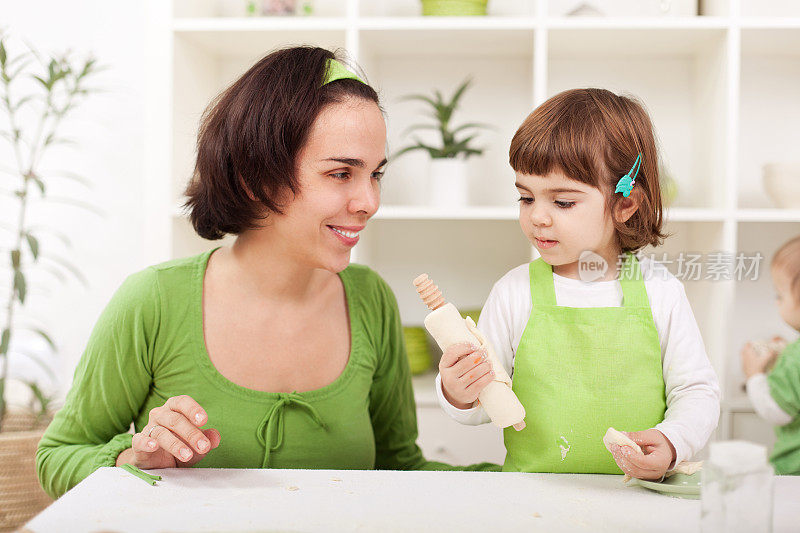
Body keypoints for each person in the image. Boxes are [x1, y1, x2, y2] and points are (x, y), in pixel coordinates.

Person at [37, 46, 495, 500]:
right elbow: (58, 455)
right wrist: (130, 461)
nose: (369, 202)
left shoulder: (370, 299)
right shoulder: (154, 300)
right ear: (256, 177)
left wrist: (531, 475)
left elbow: (398, 469)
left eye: (375, 174)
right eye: (341, 174)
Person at [435, 88, 720, 480]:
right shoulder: (513, 292)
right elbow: (487, 404)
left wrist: (672, 441)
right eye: (525, 198)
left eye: (562, 202)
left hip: (637, 498)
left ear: (625, 204)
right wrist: (458, 391)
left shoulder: (661, 292)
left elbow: (697, 393)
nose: (538, 217)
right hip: (531, 497)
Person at [741, 235, 800, 475]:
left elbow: (777, 410)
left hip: (794, 470)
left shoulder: (794, 357)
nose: (777, 303)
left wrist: (753, 374)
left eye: (780, 295)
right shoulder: (793, 355)